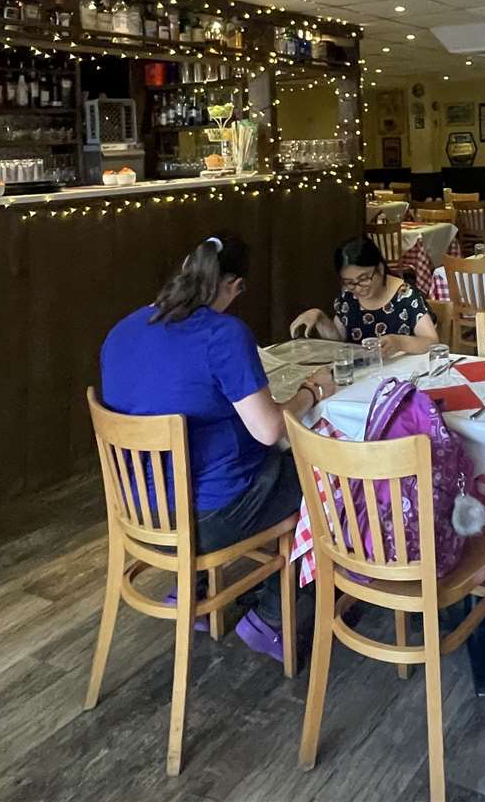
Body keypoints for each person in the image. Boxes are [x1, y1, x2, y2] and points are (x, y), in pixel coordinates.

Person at [100, 232, 333, 662]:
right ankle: (268, 617)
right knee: (321, 478)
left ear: (187, 265)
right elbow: (268, 430)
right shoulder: (224, 335)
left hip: (137, 512)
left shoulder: (121, 330)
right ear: (235, 286)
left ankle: (190, 588)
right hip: (206, 518)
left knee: (222, 458)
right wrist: (311, 391)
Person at [289, 236, 440, 355]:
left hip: (398, 377)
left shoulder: (405, 296)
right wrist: (320, 317)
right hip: (361, 374)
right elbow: (339, 340)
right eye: (349, 282)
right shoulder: (348, 296)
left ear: (380, 269)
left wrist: (399, 342)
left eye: (364, 279)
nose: (358, 288)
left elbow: (431, 342)